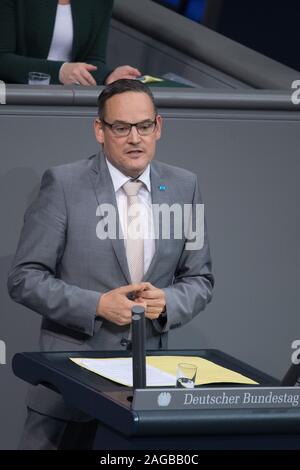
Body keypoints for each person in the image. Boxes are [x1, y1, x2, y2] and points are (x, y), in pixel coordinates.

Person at [7, 79, 214, 449]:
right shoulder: (64, 184)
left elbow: (200, 278)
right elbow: (25, 278)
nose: (135, 138)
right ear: (100, 131)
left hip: (147, 394)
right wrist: (98, 305)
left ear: (159, 127)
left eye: (144, 126)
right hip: (68, 393)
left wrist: (167, 301)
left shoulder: (185, 186)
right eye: (121, 127)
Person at [0, 0, 140, 85]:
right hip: (15, 100)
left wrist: (108, 76)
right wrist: (60, 72)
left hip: (67, 101)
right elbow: (3, 59)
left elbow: (94, 60)